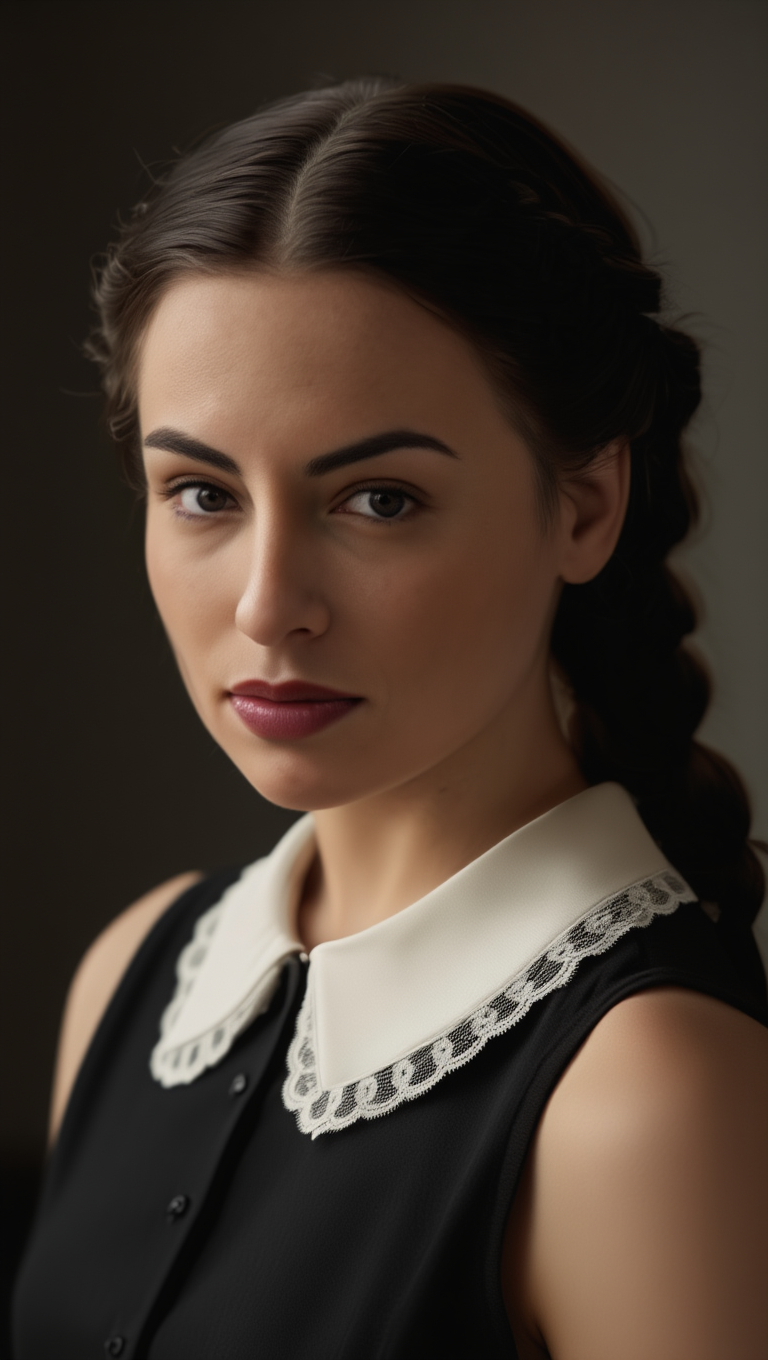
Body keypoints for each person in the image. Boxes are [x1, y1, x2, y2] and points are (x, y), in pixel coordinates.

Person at [12, 78, 768, 1359]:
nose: (266, 607)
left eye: (378, 500)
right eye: (200, 492)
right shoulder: (133, 973)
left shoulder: (655, 1097)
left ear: (585, 505)